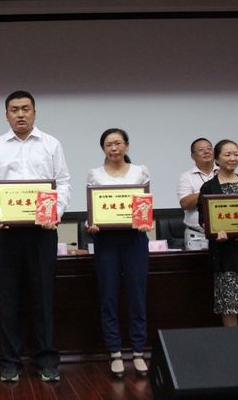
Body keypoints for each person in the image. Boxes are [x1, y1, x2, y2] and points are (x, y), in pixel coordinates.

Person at [0, 91, 71, 383]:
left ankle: (47, 360)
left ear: (34, 112)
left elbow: (63, 182)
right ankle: (11, 362)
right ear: (6, 115)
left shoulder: (51, 144)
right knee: (8, 299)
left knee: (43, 298)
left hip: (43, 232)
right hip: (7, 233)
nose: (20, 114)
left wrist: (55, 213)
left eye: (25, 109)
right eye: (14, 109)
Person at [86, 128, 152, 379]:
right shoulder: (95, 174)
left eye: (118, 143)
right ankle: (114, 352)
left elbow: (145, 206)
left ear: (127, 145)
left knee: (137, 296)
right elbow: (93, 210)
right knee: (109, 297)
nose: (113, 148)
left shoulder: (140, 171)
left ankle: (138, 352)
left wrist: (146, 220)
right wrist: (91, 224)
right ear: (103, 149)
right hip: (107, 242)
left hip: (135, 240)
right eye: (108, 145)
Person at [197, 139, 238, 327]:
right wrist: (213, 231)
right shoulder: (209, 187)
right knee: (229, 303)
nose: (232, 158)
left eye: (236, 154)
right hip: (224, 252)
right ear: (217, 159)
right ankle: (233, 341)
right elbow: (203, 219)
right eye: (227, 155)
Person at [177, 138, 218, 250]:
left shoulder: (223, 173)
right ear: (193, 156)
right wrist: (209, 191)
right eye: (201, 150)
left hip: (223, 233)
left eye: (209, 148)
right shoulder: (186, 177)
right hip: (197, 235)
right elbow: (185, 203)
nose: (206, 152)